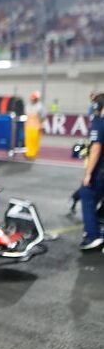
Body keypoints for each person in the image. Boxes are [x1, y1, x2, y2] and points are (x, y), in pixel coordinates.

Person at [79, 93, 104, 251]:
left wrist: (88, 174)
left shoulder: (99, 122)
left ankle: (93, 236)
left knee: (86, 193)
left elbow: (96, 148)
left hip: (101, 171)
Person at [25, 90, 44, 160]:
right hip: (28, 126)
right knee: (28, 141)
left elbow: (42, 118)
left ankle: (33, 154)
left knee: (35, 141)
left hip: (36, 127)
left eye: (34, 99)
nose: (32, 100)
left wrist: (41, 126)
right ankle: (29, 154)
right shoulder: (28, 106)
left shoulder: (40, 107)